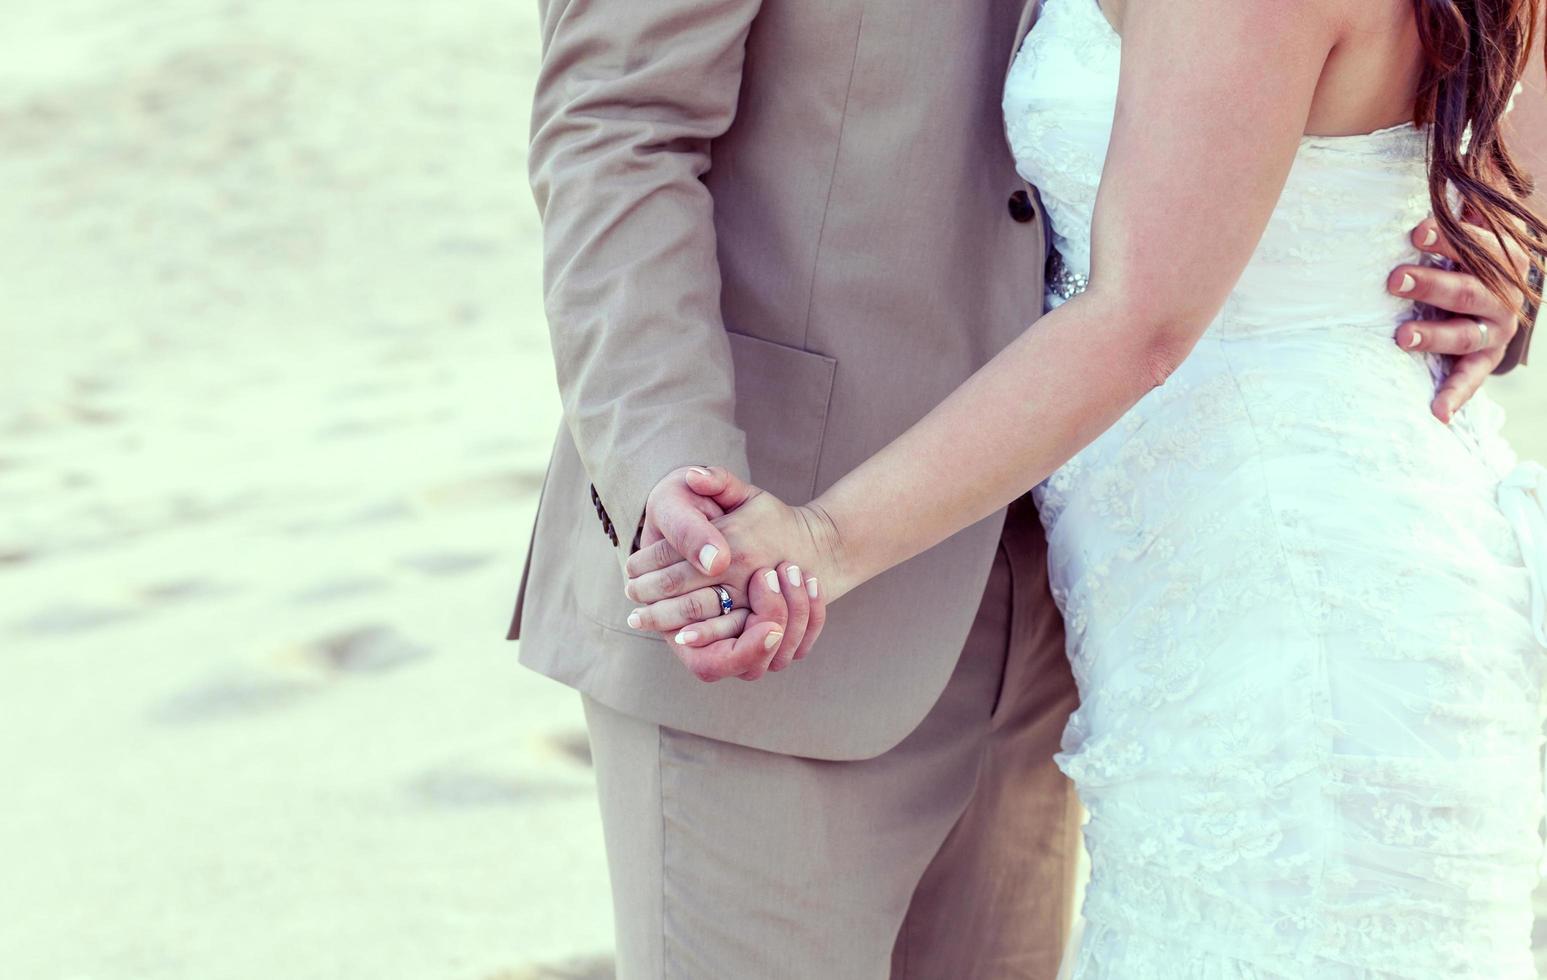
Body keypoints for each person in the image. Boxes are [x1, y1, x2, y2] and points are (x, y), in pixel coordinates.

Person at [515, 0, 1542, 976]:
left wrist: (1501, 243)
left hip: (1093, 618)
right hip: (770, 579)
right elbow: (615, 119)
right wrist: (671, 465)